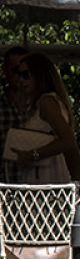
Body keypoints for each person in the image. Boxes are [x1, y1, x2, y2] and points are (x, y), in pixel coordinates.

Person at [11, 52, 80, 184]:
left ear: (39, 75)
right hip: (42, 175)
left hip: (45, 177)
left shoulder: (47, 102)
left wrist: (32, 155)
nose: (21, 80)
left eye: (26, 75)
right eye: (19, 75)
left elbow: (68, 141)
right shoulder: (42, 102)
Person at [0, 46, 28, 183]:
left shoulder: (41, 106)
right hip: (5, 187)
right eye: (15, 70)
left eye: (25, 72)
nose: (20, 76)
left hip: (37, 190)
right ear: (5, 71)